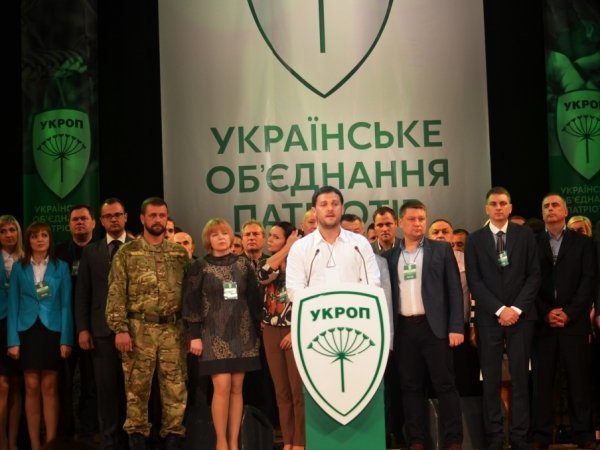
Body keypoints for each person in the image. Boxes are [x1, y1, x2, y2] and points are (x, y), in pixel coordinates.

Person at [106, 197, 189, 450]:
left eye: (162, 215)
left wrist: (191, 330)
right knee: (137, 389)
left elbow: (189, 295)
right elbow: (116, 292)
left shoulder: (179, 254)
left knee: (175, 388)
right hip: (138, 330)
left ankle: (173, 437)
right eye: (152, 215)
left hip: (173, 330)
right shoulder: (127, 253)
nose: (157, 220)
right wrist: (120, 328)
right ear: (142, 218)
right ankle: (137, 438)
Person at [465, 187, 541, 450]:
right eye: (493, 204)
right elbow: (474, 280)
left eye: (503, 203)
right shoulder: (474, 239)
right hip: (489, 319)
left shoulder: (525, 235)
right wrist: (500, 310)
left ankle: (519, 437)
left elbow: (534, 275)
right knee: (491, 381)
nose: (498, 207)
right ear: (486, 208)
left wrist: (516, 309)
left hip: (521, 318)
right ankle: (495, 438)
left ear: (510, 207)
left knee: (520, 379)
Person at [384, 201, 464, 450]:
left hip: (435, 328)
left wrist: (456, 327)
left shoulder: (441, 250)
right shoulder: (389, 257)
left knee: (445, 385)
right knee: (410, 387)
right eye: (412, 219)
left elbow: (454, 290)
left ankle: (453, 440)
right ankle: (417, 440)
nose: (417, 223)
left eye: (421, 219)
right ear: (400, 223)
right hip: (404, 330)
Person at [182, 218, 261, 450]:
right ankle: (221, 442)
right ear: (208, 239)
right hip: (212, 334)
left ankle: (234, 442)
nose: (221, 237)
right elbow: (190, 302)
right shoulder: (200, 266)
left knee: (237, 388)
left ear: (231, 237)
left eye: (224, 233)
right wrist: (194, 335)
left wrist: (258, 330)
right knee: (222, 387)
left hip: (242, 334)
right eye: (215, 234)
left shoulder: (244, 265)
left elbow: (254, 299)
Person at [529, 194, 596, 449]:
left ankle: (584, 433)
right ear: (542, 213)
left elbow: (588, 280)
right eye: (546, 206)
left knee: (579, 381)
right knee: (542, 382)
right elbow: (528, 282)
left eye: (555, 205)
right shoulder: (532, 242)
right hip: (542, 322)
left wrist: (569, 312)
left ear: (565, 211)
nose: (551, 209)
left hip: (574, 322)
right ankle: (541, 435)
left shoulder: (583, 243)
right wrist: (546, 312)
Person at [7, 222, 73, 450]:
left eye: (44, 235)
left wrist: (66, 339)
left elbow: (66, 305)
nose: (40, 239)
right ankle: (35, 445)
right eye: (35, 236)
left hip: (52, 331)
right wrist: (13, 341)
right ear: (28, 240)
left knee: (50, 387)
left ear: (50, 239)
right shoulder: (19, 267)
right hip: (27, 331)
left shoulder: (61, 267)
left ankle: (51, 444)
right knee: (31, 385)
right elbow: (13, 304)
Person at [75, 198, 131, 450]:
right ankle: (109, 442)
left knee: (133, 391)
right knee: (106, 390)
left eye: (117, 215)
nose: (113, 219)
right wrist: (83, 329)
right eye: (108, 216)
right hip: (100, 331)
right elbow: (82, 293)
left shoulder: (138, 246)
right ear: (101, 221)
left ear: (126, 217)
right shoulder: (91, 251)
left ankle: (132, 441)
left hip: (134, 330)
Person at [286, 185, 380, 302]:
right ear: (314, 211)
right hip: (316, 311)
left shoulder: (360, 244)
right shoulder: (300, 248)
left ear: (342, 209)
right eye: (323, 204)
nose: (330, 208)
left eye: (335, 204)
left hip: (354, 310)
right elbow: (294, 290)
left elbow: (372, 283)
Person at [257, 221, 304, 450]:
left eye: (276, 236)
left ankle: (301, 441)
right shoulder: (269, 263)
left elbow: (308, 299)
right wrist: (287, 247)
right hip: (271, 330)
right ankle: (288, 441)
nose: (269, 240)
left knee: (297, 391)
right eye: (270, 235)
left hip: (295, 330)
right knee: (281, 391)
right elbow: (263, 275)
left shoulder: (300, 264)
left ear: (289, 238)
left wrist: (295, 332)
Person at [54, 205, 98, 441]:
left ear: (93, 223)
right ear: (69, 225)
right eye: (75, 219)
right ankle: (65, 431)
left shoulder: (101, 250)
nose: (80, 222)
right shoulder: (58, 252)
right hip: (64, 328)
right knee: (64, 383)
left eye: (84, 219)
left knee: (91, 383)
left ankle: (88, 430)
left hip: (93, 327)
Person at [0, 216, 23, 450]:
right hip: (1, 323)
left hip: (22, 325)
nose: (8, 235)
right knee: (3, 385)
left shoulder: (26, 258)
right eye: (3, 231)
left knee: (17, 385)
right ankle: (2, 441)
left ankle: (14, 442)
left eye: (12, 230)